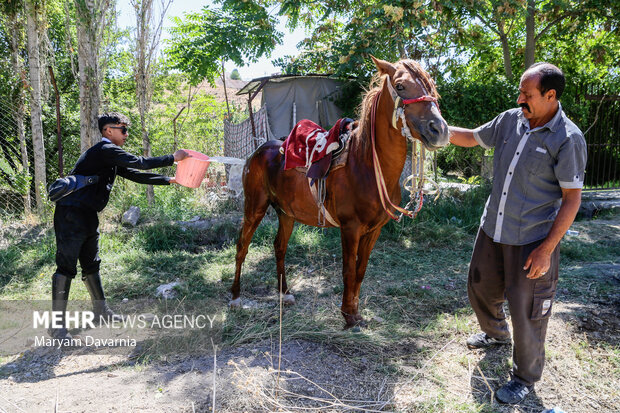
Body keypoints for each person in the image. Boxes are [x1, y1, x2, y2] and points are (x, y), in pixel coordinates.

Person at [449, 63, 586, 404]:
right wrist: (432, 127)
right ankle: (496, 335)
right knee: (479, 287)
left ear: (550, 96)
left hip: (532, 239)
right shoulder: (511, 119)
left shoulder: (568, 139)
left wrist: (546, 250)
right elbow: (471, 137)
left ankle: (524, 377)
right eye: (521, 92)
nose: (520, 98)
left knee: (529, 311)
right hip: (493, 228)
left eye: (528, 94)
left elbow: (572, 201)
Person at [49, 112, 188, 339]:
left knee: (91, 263)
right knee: (66, 268)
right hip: (70, 214)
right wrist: (173, 158)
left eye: (126, 129)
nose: (126, 134)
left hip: (87, 214)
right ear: (108, 131)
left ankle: (101, 312)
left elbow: (134, 173)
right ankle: (56, 328)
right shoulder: (105, 150)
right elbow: (140, 163)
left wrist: (169, 180)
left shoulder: (109, 157)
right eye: (122, 129)